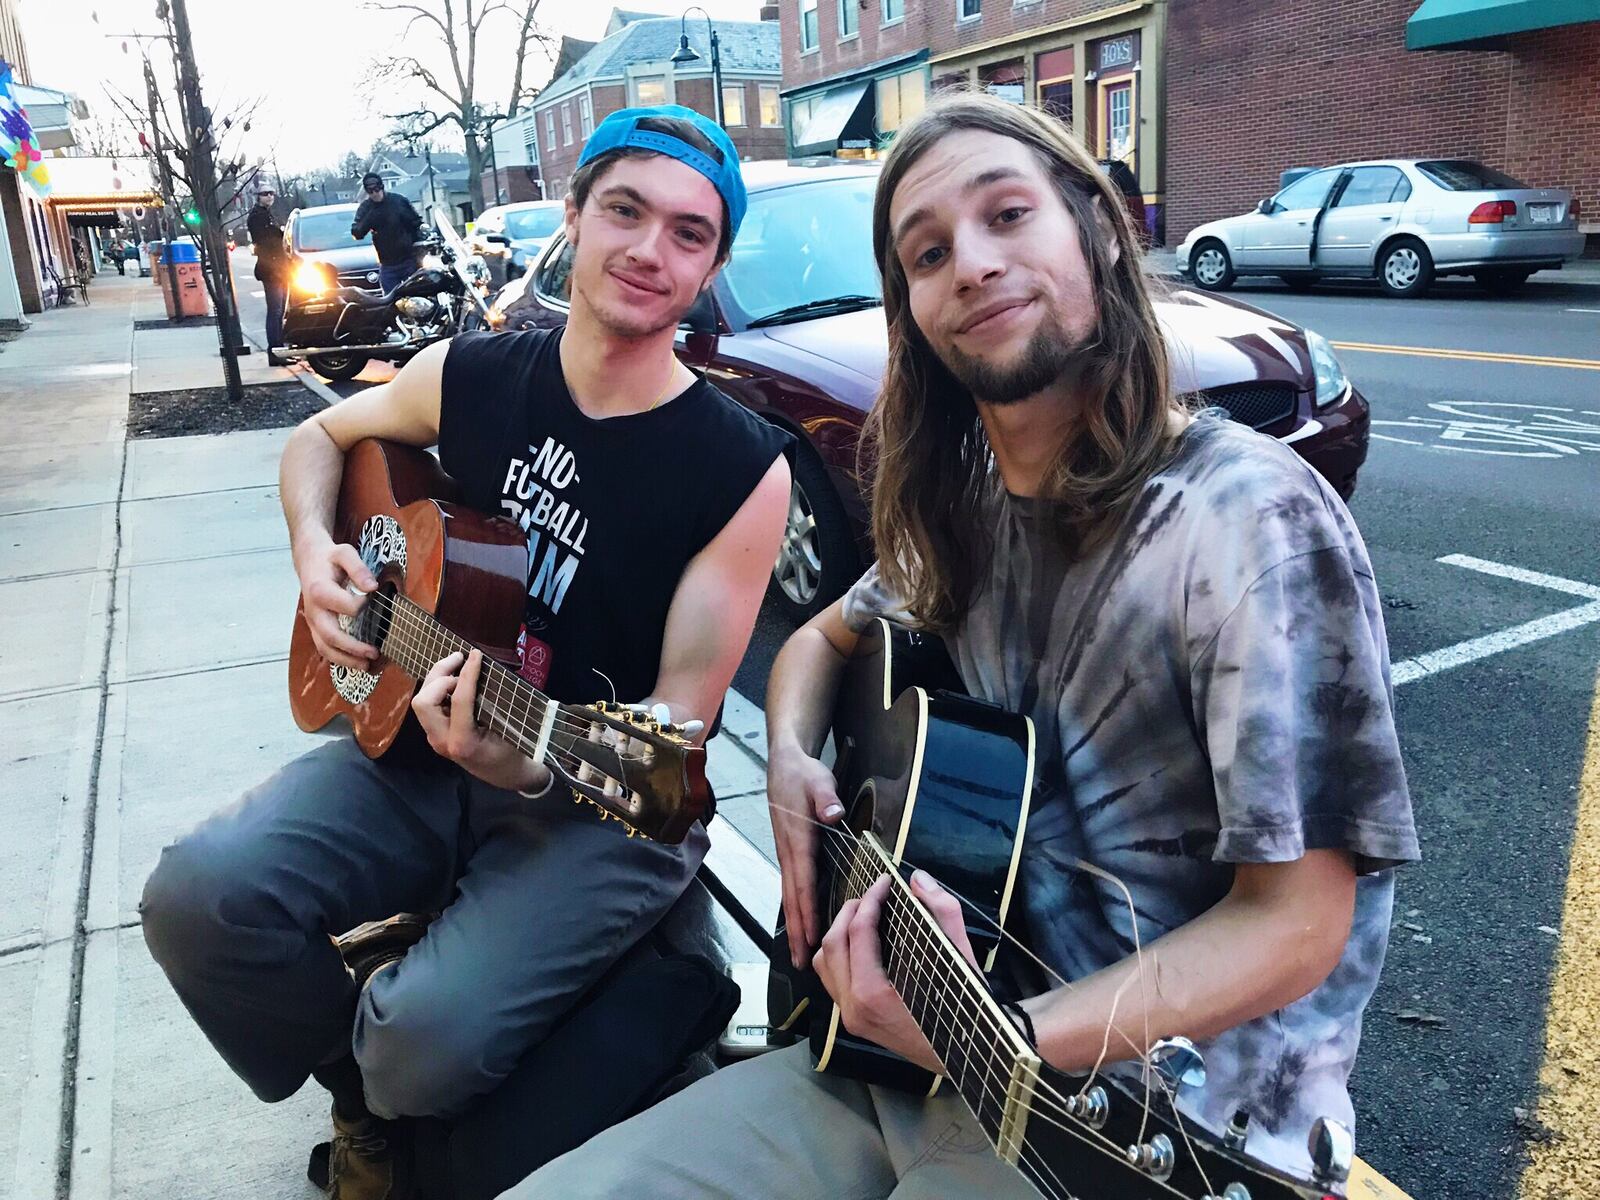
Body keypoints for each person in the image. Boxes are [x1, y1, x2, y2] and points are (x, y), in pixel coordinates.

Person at [507, 92, 1418, 1199]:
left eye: (1006, 216)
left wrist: (1005, 1041)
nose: (973, 265)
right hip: (915, 1050)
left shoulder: (1245, 517)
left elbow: (1299, 923)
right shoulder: (971, 511)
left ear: (1092, 223)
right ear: (913, 311)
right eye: (928, 252)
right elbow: (818, 646)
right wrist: (793, 768)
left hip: (1149, 1135)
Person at [139, 106, 793, 1200]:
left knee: (422, 1045)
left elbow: (676, 742)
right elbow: (320, 440)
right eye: (624, 211)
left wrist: (527, 765)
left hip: (592, 793)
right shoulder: (477, 374)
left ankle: (396, 1084)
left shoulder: (740, 469)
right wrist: (315, 550)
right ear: (573, 219)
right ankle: (363, 1108)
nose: (649, 250)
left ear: (710, 266)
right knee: (198, 902)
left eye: (689, 233)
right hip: (414, 735)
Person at [351, 171, 425, 293]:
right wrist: (370, 218)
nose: (374, 193)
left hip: (409, 260)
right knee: (390, 302)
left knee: (418, 296)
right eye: (370, 191)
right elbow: (357, 232)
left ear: (382, 187)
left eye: (376, 189)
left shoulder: (399, 201)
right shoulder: (366, 208)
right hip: (388, 265)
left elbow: (416, 224)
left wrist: (420, 248)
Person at [246, 184, 291, 364]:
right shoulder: (257, 217)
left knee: (280, 311)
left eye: (271, 193)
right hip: (271, 270)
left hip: (280, 269)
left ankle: (280, 349)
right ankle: (275, 351)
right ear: (258, 197)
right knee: (275, 310)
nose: (269, 196)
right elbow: (266, 242)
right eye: (265, 194)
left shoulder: (268, 214)